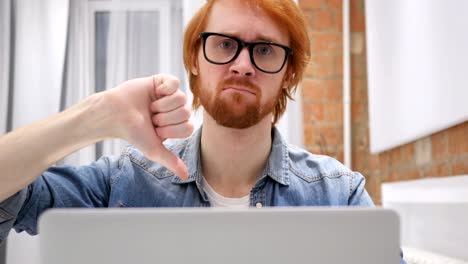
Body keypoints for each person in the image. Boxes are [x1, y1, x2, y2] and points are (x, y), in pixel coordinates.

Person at [0, 0, 379, 252]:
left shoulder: (337, 194)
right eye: (224, 44)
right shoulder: (124, 183)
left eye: (264, 49)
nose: (242, 65)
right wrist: (97, 113)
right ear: (195, 58)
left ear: (288, 73)